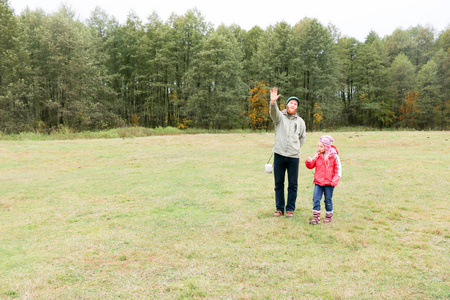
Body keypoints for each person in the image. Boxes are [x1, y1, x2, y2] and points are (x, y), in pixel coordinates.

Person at [269, 87, 306, 218]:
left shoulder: (300, 122)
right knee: (278, 183)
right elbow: (273, 113)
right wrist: (273, 103)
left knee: (293, 184)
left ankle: (290, 209)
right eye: (291, 103)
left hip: (293, 157)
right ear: (287, 105)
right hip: (279, 154)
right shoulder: (280, 117)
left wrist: (295, 148)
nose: (293, 105)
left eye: (295, 104)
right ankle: (279, 209)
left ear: (297, 107)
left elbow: (302, 138)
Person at [305, 135, 342, 224]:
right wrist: (309, 161)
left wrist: (334, 181)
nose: (319, 148)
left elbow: (338, 170)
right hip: (318, 182)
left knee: (328, 200)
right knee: (316, 199)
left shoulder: (334, 157)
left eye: (321, 146)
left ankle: (329, 216)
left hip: (329, 183)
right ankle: (316, 218)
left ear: (327, 146)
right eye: (318, 146)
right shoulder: (317, 155)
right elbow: (311, 165)